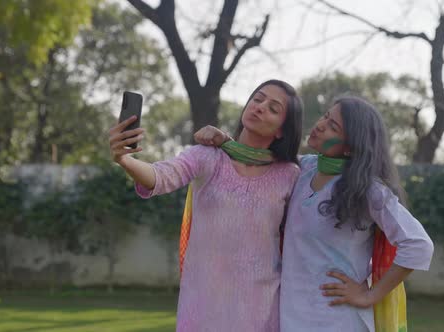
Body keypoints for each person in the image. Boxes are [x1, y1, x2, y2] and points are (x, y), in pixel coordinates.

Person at [195, 95, 434, 332]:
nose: (320, 125)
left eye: (333, 127)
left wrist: (370, 295)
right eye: (326, 116)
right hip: (291, 316)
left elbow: (418, 245)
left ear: (351, 147)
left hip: (337, 319)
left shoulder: (369, 191)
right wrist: (225, 142)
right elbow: (256, 159)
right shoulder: (304, 168)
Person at [108, 79, 303, 331]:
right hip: (202, 306)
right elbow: (161, 176)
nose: (260, 107)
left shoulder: (291, 175)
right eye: (258, 98)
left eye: (273, 108)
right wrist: (125, 159)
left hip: (261, 310)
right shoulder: (207, 156)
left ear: (282, 131)